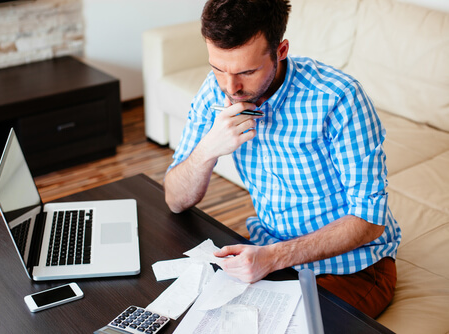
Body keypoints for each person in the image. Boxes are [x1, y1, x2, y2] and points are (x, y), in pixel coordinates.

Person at [164, 0, 401, 319]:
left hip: (354, 267)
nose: (230, 87)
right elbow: (175, 200)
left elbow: (370, 220)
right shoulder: (215, 93)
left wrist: (274, 257)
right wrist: (208, 148)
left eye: (246, 71)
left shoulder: (338, 99)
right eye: (218, 68)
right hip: (268, 249)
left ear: (281, 50)